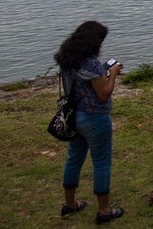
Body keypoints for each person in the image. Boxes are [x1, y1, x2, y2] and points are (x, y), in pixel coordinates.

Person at [54, 20, 125, 225]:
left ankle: (70, 204)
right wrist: (112, 74)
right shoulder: (92, 64)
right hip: (94, 118)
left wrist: (102, 73)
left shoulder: (66, 59)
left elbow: (81, 83)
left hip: (73, 117)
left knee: (74, 158)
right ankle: (104, 211)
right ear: (94, 42)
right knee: (101, 163)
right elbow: (103, 94)